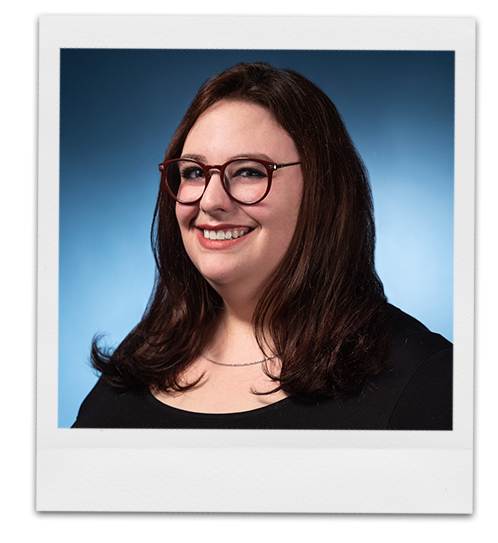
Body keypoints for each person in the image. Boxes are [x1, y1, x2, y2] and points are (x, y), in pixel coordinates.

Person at [72, 62, 452, 430]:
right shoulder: (141, 357)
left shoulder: (427, 380)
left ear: (324, 192)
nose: (210, 201)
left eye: (249, 171)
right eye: (194, 172)